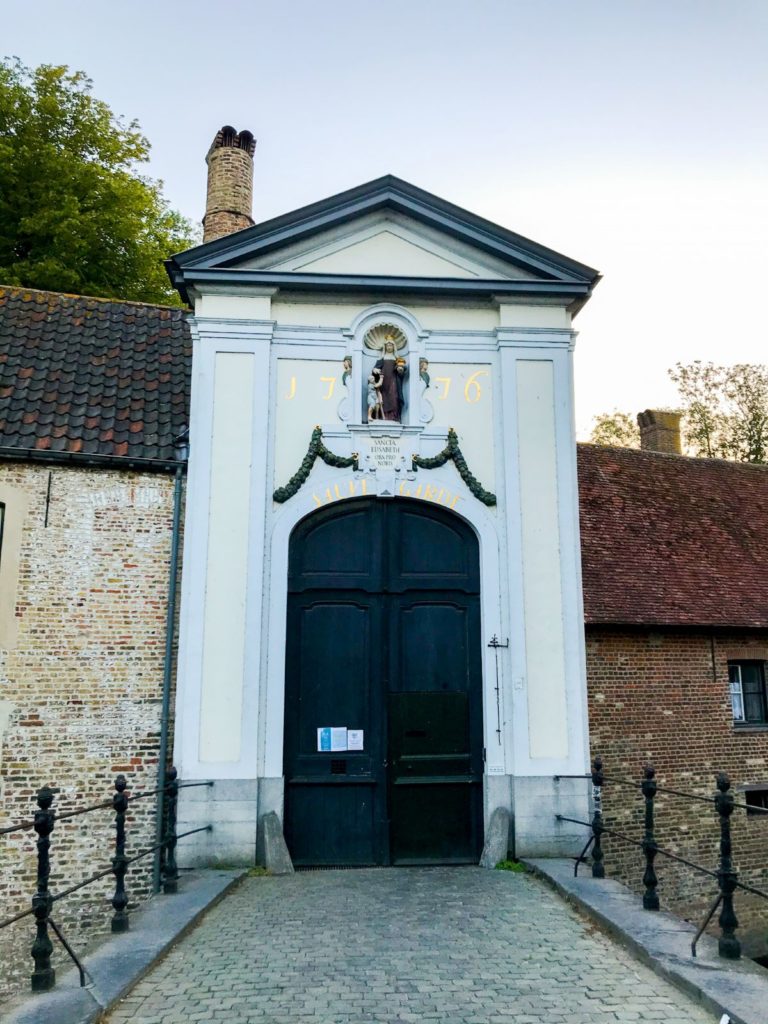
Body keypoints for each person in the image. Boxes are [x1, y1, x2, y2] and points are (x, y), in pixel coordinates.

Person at [373, 340, 407, 422]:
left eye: (391, 345)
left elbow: (402, 369)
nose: (389, 347)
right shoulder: (382, 358)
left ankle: (393, 416)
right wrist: (375, 370)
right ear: (385, 347)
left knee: (394, 397)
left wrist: (400, 370)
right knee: (383, 398)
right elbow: (375, 368)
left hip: (393, 381)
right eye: (387, 345)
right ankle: (383, 415)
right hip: (383, 381)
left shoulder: (397, 359)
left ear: (393, 347)